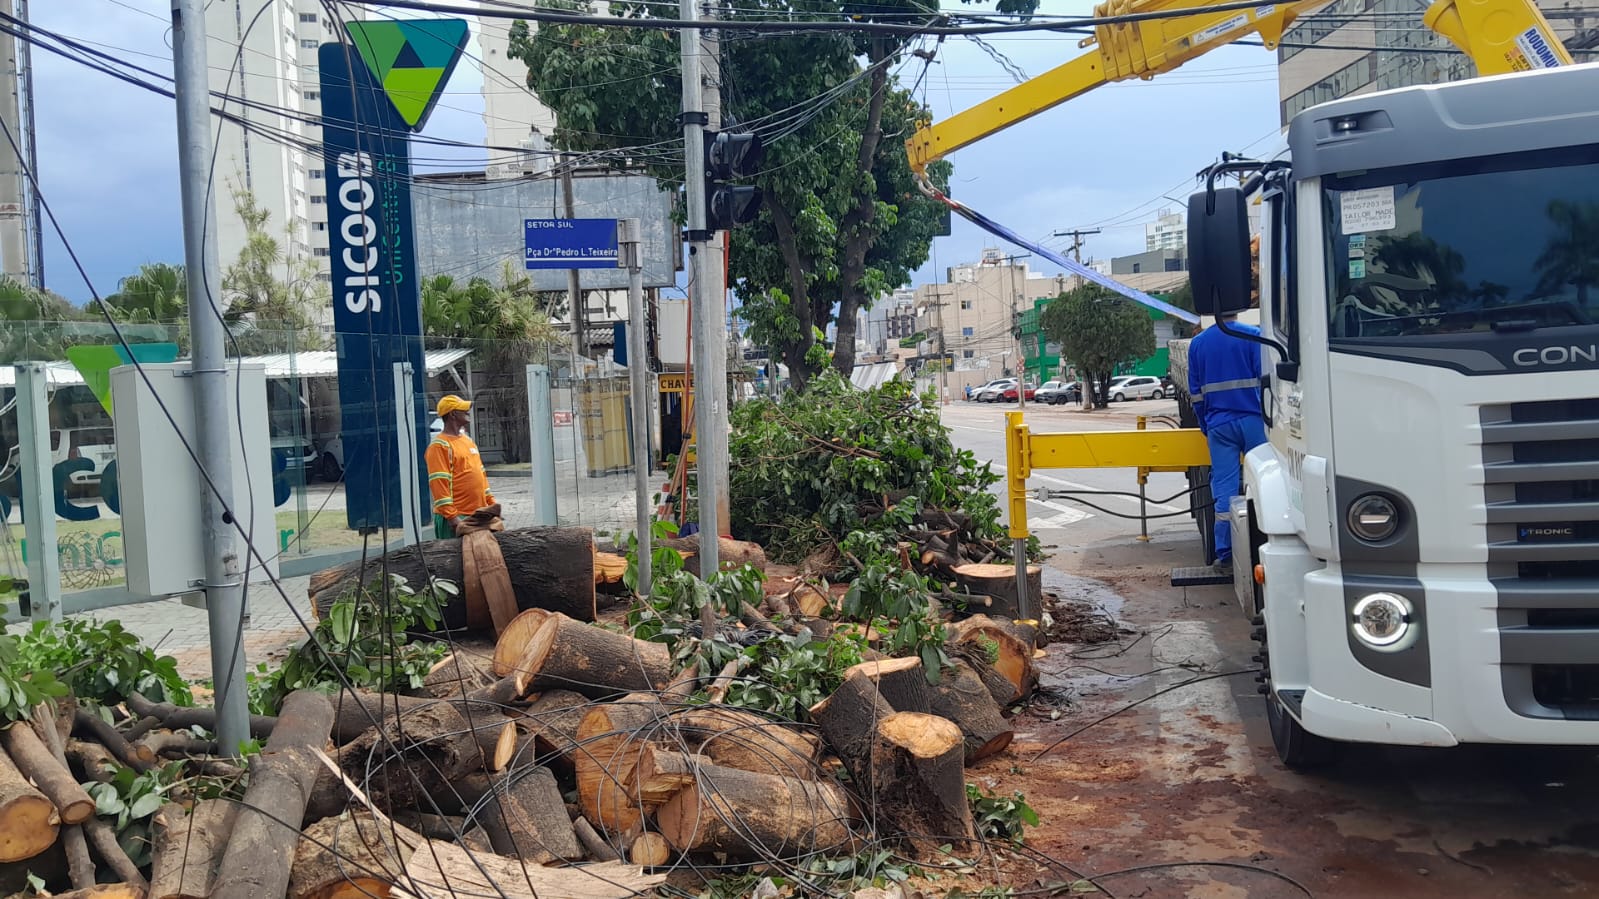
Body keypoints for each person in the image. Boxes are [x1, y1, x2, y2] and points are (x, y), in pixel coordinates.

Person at [1187, 314, 1265, 572]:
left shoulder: (1198, 344)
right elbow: (1267, 379)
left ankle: (1227, 552)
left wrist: (1205, 425)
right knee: (1263, 484)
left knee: (1224, 487)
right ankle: (1263, 543)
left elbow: (1196, 394)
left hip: (1219, 424)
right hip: (1254, 420)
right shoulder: (1253, 335)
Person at [426, 395, 502, 538]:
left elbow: (481, 475)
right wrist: (453, 518)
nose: (468, 411)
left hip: (477, 515)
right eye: (463, 409)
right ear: (452, 414)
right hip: (456, 518)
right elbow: (439, 484)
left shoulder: (468, 442)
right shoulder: (439, 446)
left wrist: (491, 504)